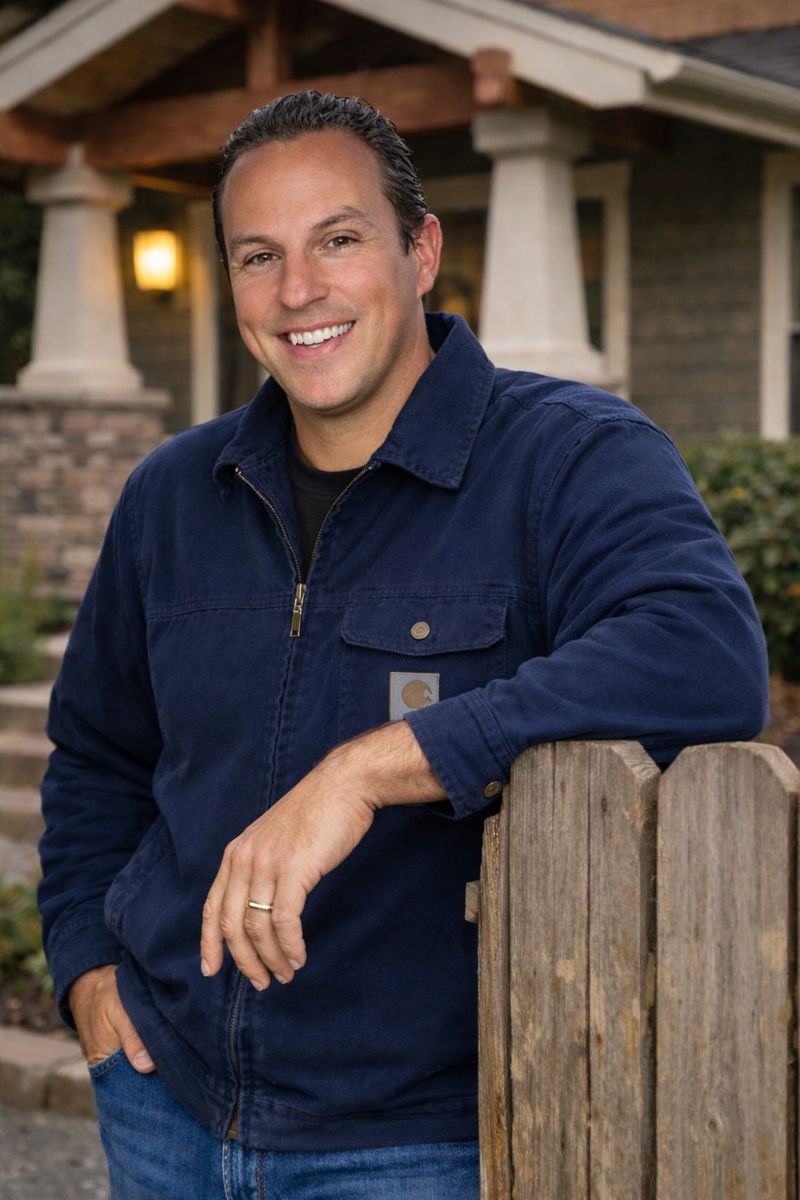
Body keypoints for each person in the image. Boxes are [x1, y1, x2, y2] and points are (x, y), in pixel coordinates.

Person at [38, 90, 768, 1198]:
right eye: (258, 256)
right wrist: (87, 973)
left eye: (338, 239)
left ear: (420, 251)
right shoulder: (170, 494)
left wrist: (373, 768)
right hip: (163, 1102)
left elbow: (701, 654)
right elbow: (97, 756)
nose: (298, 291)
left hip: (418, 1137)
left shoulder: (569, 458)